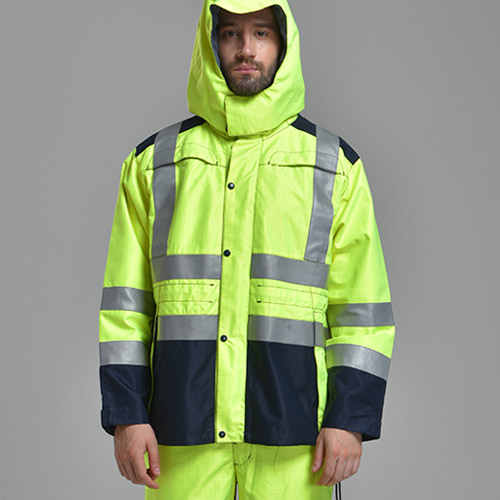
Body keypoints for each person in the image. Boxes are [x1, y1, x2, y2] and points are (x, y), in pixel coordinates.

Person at [98, 1, 396, 499]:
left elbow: (362, 312)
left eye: (261, 33)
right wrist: (127, 415)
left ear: (284, 43)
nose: (246, 50)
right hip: (180, 428)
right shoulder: (155, 163)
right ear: (209, 42)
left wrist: (350, 418)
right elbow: (125, 309)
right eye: (230, 33)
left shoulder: (333, 166)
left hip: (295, 430)